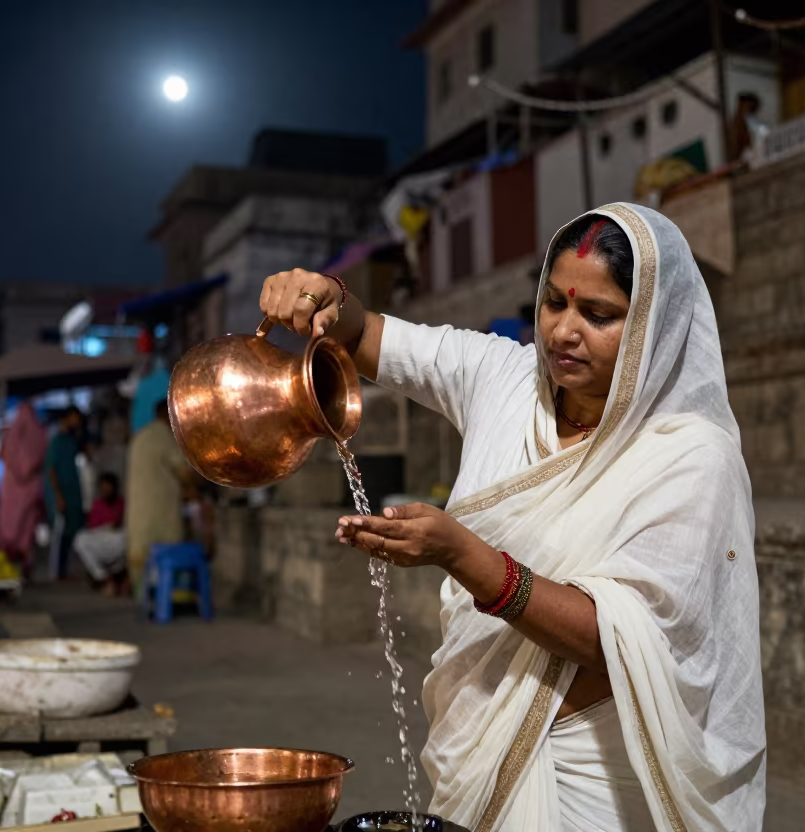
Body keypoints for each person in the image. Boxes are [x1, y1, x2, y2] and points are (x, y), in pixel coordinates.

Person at [260, 204, 765, 831]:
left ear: (652, 326)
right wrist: (325, 296)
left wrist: (462, 555)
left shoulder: (689, 456)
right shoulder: (504, 380)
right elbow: (365, 336)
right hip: (480, 741)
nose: (563, 332)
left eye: (598, 314)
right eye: (554, 303)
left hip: (602, 774)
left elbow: (622, 638)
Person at [124, 398, 194, 600]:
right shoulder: (164, 436)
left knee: (141, 556)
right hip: (160, 510)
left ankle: (145, 599)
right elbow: (184, 471)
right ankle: (167, 598)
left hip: (138, 512)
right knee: (168, 551)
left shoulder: (140, 437)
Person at [0, 402, 48, 567]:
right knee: (25, 529)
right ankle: (21, 563)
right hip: (28, 492)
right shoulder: (38, 435)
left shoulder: (12, 437)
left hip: (14, 493)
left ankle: (13, 564)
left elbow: (4, 454)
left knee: (14, 530)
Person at [45, 406, 85, 579]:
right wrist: (58, 496)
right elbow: (51, 470)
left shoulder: (72, 440)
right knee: (60, 535)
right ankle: (57, 572)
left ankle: (65, 570)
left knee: (71, 534)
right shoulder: (56, 441)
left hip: (73, 494)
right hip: (62, 495)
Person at [73, 472, 127, 595]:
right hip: (100, 540)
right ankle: (104, 578)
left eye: (108, 487)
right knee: (80, 540)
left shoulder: (121, 503)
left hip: (118, 540)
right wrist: (107, 527)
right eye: (103, 488)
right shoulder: (97, 505)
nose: (106, 490)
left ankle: (119, 578)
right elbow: (93, 529)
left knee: (127, 539)